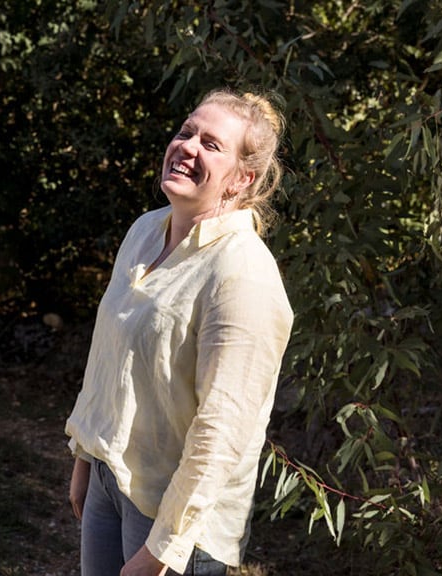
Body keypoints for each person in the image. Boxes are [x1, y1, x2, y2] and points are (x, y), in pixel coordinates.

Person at [64, 89, 294, 576]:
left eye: (211, 144)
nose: (187, 146)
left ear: (242, 179)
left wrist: (160, 551)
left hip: (175, 520)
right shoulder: (147, 230)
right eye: (186, 132)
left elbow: (221, 431)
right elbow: (110, 355)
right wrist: (87, 457)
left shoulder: (242, 271)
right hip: (114, 478)